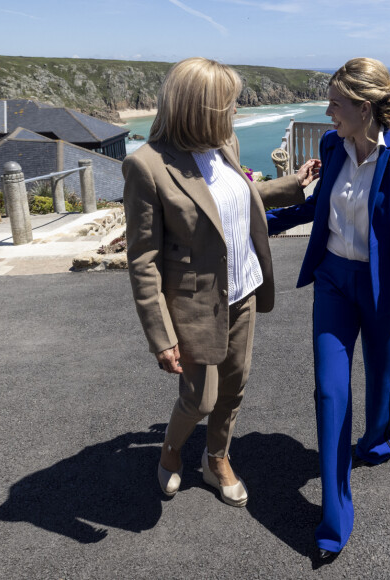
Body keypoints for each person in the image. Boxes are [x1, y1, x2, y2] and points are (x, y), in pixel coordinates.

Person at [122, 57, 319, 507]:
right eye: (226, 105)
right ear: (199, 108)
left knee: (233, 387)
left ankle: (217, 458)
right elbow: (144, 260)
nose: (233, 113)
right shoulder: (147, 166)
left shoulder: (224, 142)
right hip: (192, 305)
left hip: (243, 289)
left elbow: (234, 201)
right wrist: (160, 335)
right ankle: (171, 449)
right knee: (200, 397)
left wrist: (291, 185)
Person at [266, 57, 390, 558]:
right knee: (330, 393)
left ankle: (381, 435)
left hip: (385, 291)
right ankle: (335, 516)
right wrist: (263, 223)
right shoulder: (328, 146)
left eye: (335, 103)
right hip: (334, 284)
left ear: (364, 108)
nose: (327, 110)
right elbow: (319, 210)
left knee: (382, 383)